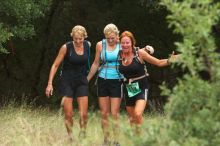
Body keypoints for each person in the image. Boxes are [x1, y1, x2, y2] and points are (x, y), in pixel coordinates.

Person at [118, 31, 178, 134]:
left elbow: (158, 63)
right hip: (129, 88)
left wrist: (170, 60)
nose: (125, 45)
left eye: (127, 42)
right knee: (133, 120)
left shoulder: (140, 53)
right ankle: (139, 140)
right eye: (123, 43)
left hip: (141, 86)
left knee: (137, 114)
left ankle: (146, 138)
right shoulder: (118, 55)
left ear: (132, 43)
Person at [45, 25, 90, 141]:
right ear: (72, 37)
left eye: (81, 38)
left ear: (84, 37)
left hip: (81, 81)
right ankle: (70, 137)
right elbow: (55, 65)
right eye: (76, 39)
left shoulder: (87, 45)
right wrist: (50, 84)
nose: (78, 41)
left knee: (83, 114)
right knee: (68, 114)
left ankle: (83, 133)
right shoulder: (66, 47)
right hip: (67, 81)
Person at [87, 23, 123, 146]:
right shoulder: (100, 45)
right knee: (104, 113)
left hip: (117, 80)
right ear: (105, 37)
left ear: (117, 36)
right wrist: (87, 79)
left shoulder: (122, 44)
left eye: (113, 38)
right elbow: (96, 63)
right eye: (108, 38)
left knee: (114, 113)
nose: (111, 40)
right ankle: (106, 140)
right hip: (103, 79)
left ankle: (117, 141)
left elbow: (135, 53)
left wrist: (147, 49)